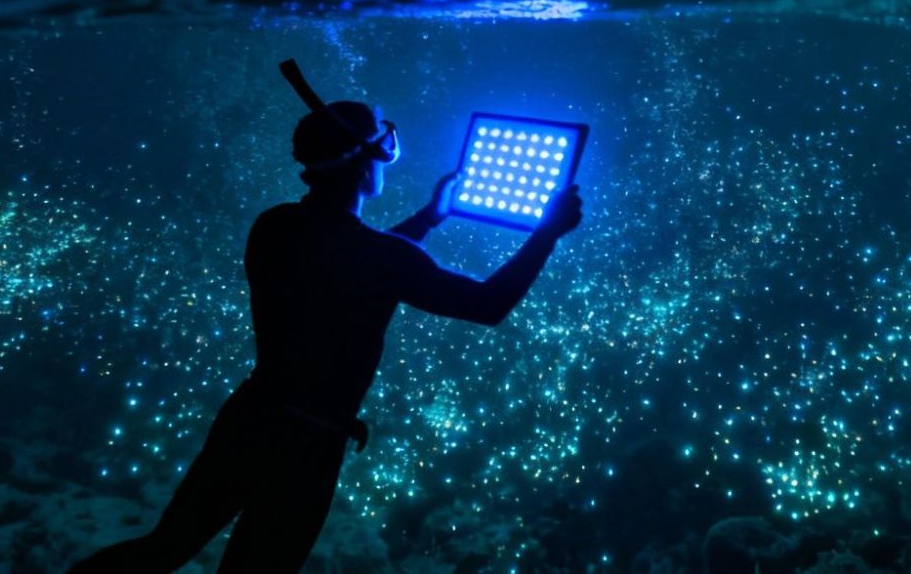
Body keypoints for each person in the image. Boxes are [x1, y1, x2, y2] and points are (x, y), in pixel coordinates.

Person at [68, 79, 584, 573]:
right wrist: (546, 232)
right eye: (384, 138)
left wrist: (430, 217)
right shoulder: (381, 257)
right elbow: (487, 304)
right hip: (306, 449)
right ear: (367, 160)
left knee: (164, 548)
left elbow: (351, 259)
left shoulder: (275, 226)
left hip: (249, 418)